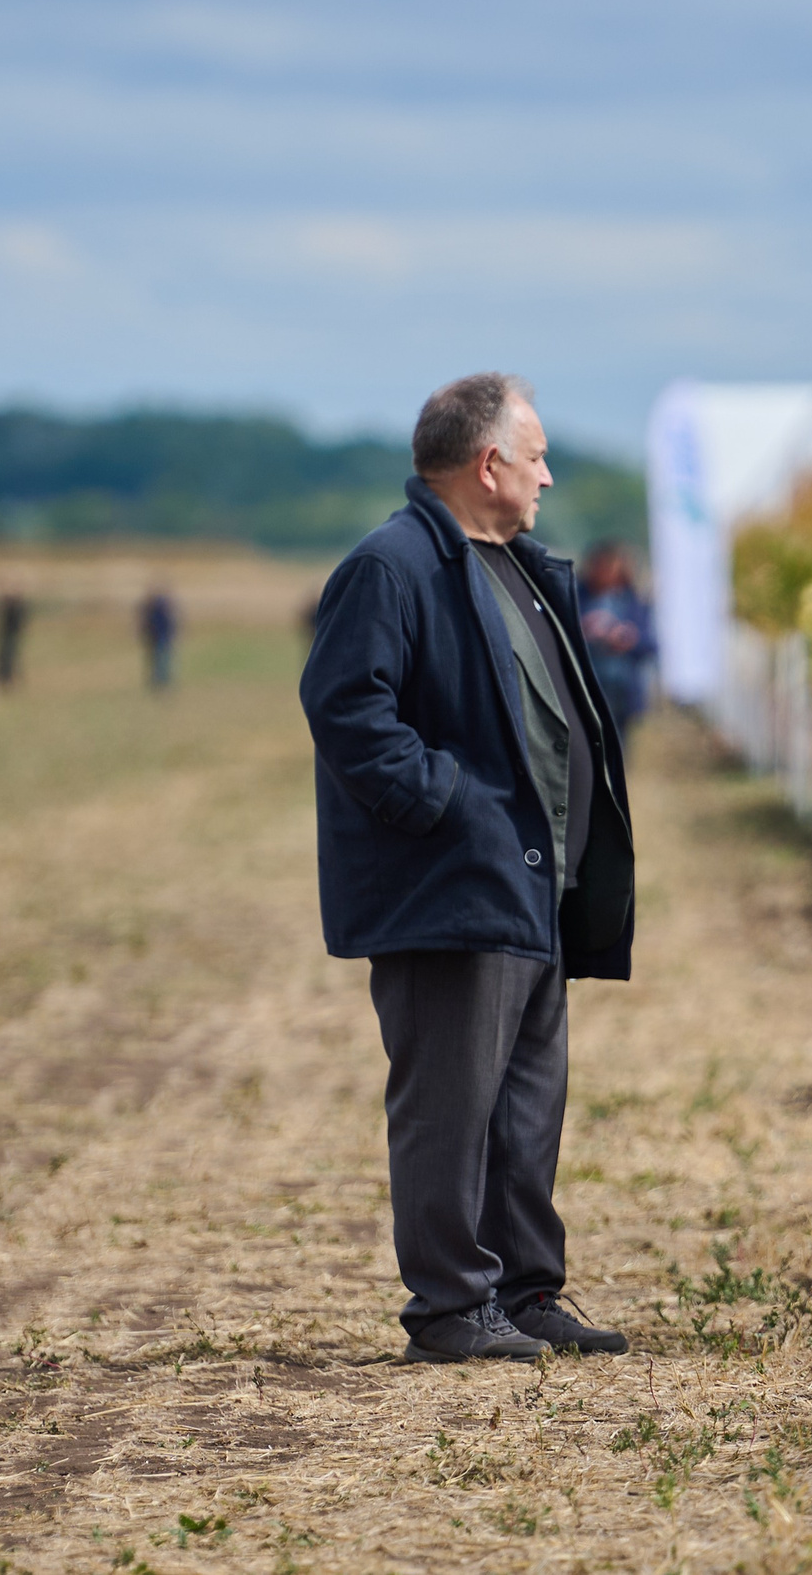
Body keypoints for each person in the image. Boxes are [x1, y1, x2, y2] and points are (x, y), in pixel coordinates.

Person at [300, 372, 638, 1365]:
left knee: (525, 1109)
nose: (547, 475)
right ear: (488, 464)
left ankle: (526, 1292)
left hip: (532, 893)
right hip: (451, 892)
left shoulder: (519, 566)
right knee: (450, 1108)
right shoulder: (394, 566)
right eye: (535, 457)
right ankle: (451, 1308)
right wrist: (451, 812)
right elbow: (348, 711)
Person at [577, 543, 657, 742]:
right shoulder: (575, 597)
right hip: (586, 687)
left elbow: (650, 644)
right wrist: (584, 630)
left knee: (618, 746)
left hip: (622, 690)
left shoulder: (634, 602)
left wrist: (629, 639)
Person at [139, 587, 177, 689]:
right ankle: (160, 680)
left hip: (158, 639)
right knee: (160, 661)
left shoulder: (152, 610)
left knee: (159, 661)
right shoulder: (159, 610)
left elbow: (149, 625)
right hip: (159, 639)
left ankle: (160, 680)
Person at [0, 592, 28, 688]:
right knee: (4, 657)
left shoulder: (16, 609)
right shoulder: (10, 608)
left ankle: (6, 678)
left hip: (10, 636)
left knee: (8, 657)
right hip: (6, 636)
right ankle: (3, 677)